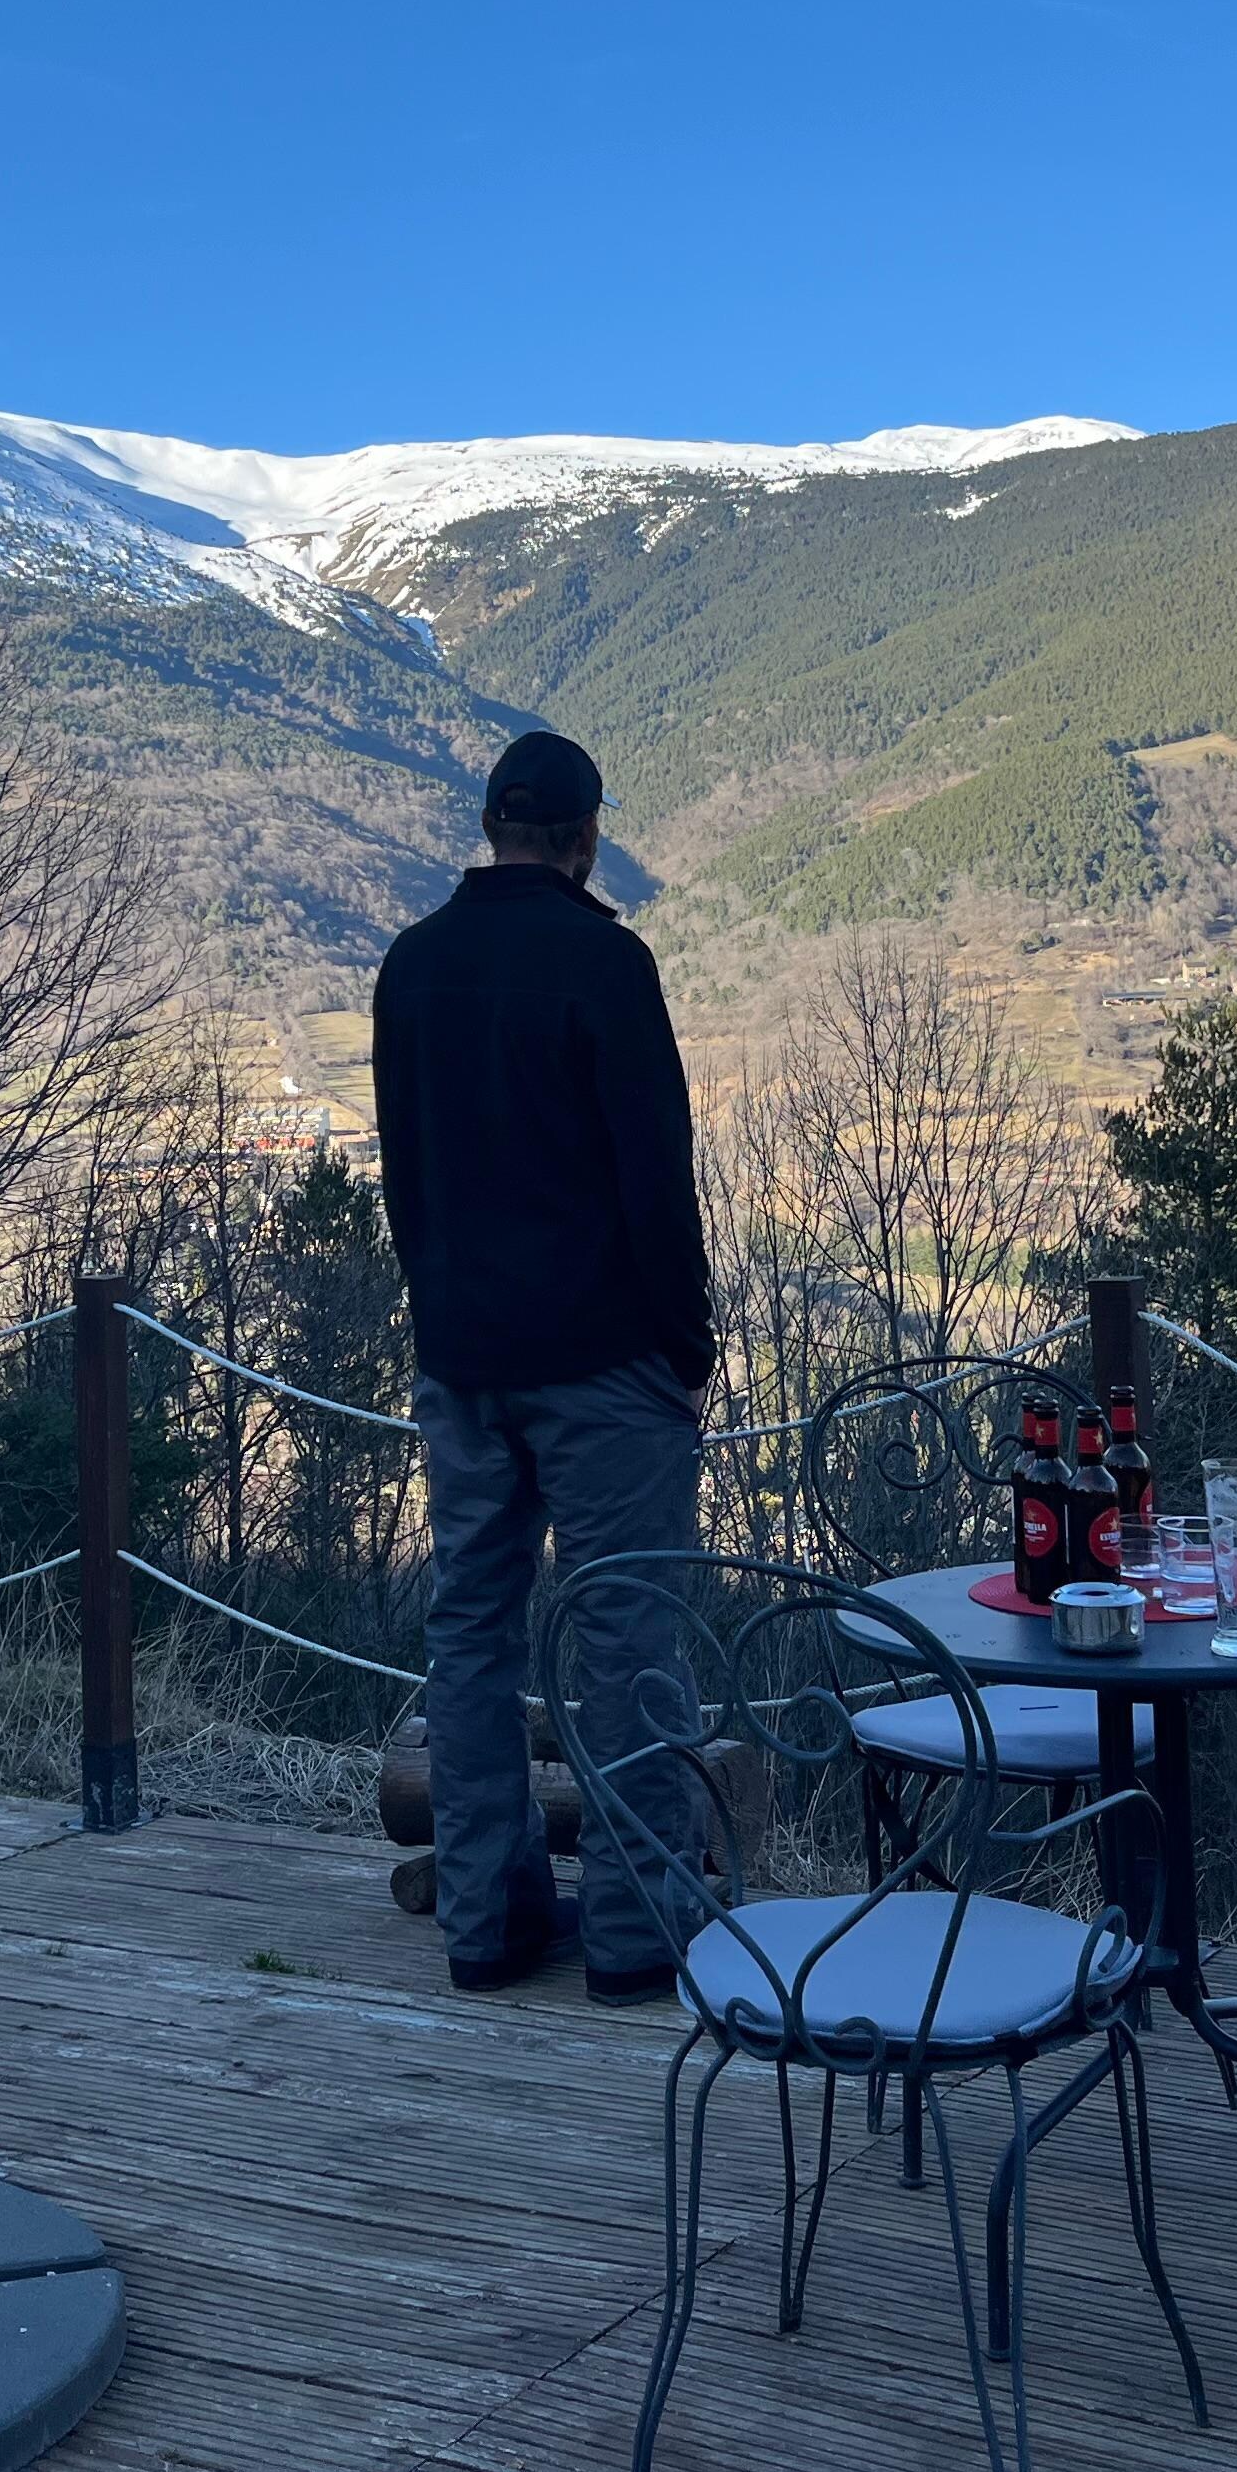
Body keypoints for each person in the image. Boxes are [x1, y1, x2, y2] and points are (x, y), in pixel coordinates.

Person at [371, 730, 714, 2001]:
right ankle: (635, 1937)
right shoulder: (607, 966)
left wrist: (439, 1320)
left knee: (470, 1634)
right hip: (604, 1366)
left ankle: (486, 1925)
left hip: (463, 1361)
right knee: (627, 1639)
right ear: (584, 839)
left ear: (490, 828)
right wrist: (685, 1345)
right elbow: (655, 1181)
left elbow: (405, 1174)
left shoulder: (411, 966)